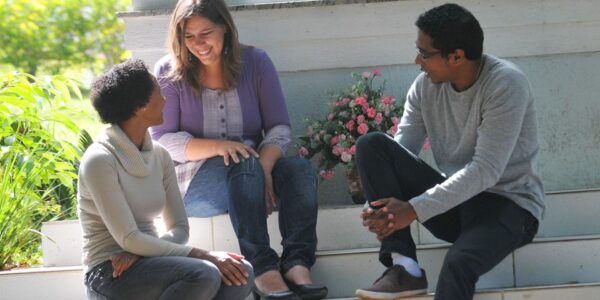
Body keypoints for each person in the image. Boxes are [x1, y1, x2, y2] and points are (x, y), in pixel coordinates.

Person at [354, 3, 545, 300]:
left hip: (509, 207)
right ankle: (404, 268)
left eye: (425, 53)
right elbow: (400, 150)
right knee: (373, 145)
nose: (418, 60)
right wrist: (380, 208)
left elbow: (486, 170)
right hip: (457, 206)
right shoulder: (425, 87)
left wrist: (414, 209)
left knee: (458, 263)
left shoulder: (505, 83)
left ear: (456, 56)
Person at [150, 0, 327, 299]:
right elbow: (163, 140)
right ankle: (262, 268)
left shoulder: (256, 62)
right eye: (189, 37)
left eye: (206, 32)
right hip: (192, 185)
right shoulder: (169, 71)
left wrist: (266, 169)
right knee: (242, 158)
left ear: (225, 29)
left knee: (298, 169)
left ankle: (297, 264)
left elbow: (279, 127)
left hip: (253, 170)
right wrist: (221, 147)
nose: (198, 44)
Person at [78, 58, 253, 300]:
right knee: (203, 273)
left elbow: (179, 227)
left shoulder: (160, 155)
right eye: (158, 93)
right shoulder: (99, 160)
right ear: (139, 106)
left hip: (150, 261)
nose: (164, 100)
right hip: (109, 274)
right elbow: (127, 238)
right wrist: (206, 255)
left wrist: (141, 253)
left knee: (240, 272)